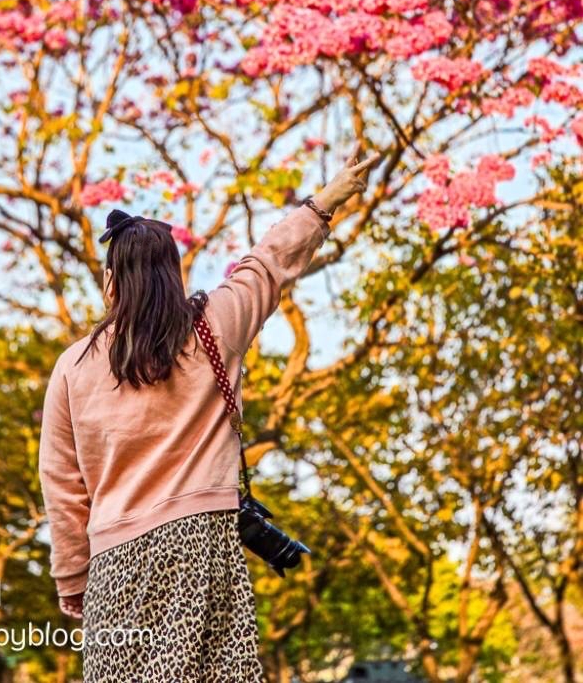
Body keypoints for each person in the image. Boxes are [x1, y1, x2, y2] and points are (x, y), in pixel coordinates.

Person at [38, 141, 383, 682]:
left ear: (111, 283)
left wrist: (72, 579)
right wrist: (326, 201)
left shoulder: (73, 366)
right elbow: (269, 263)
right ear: (172, 276)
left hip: (113, 565)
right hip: (203, 549)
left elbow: (61, 483)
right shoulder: (214, 327)